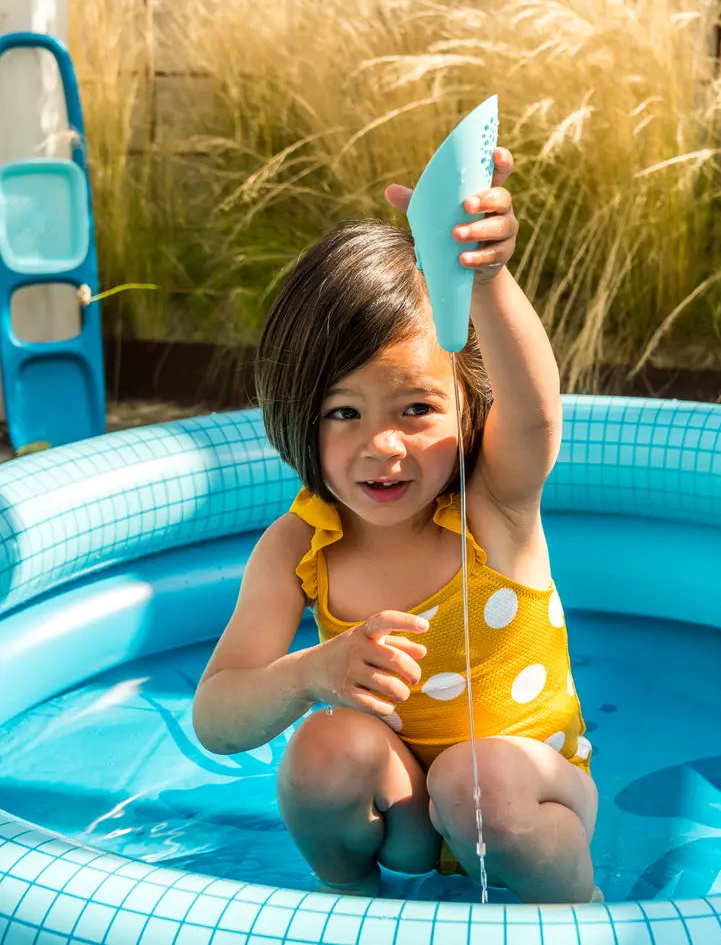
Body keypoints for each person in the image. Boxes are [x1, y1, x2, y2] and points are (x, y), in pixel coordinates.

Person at [192, 147, 599, 904]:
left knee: (476, 782)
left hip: (528, 803)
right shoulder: (299, 548)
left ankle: (579, 909)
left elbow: (539, 412)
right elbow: (216, 716)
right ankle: (353, 907)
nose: (383, 446)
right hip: (413, 817)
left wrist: (485, 278)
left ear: (467, 402)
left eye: (416, 408)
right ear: (299, 419)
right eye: (344, 412)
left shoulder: (494, 504)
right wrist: (311, 673)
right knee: (321, 751)